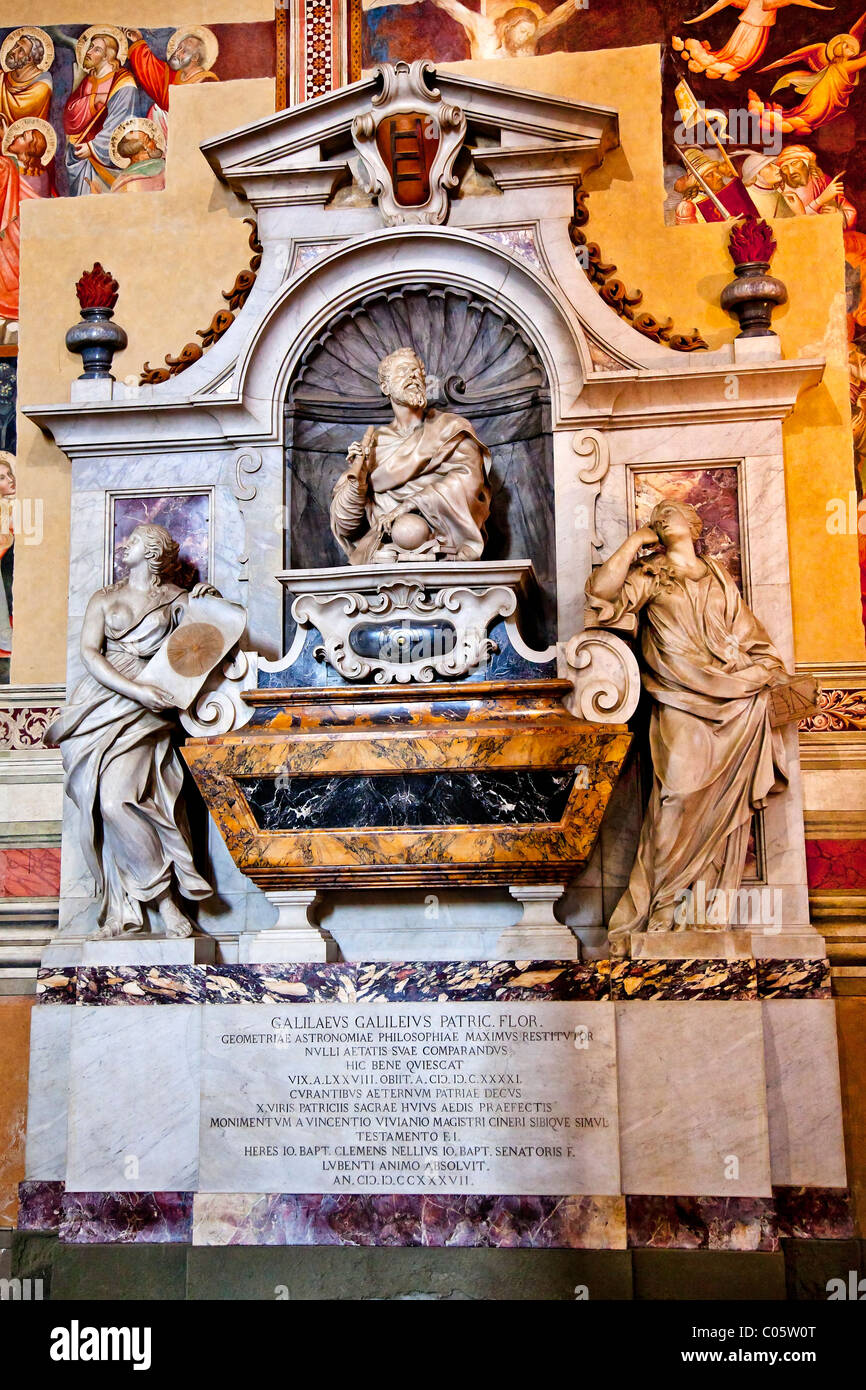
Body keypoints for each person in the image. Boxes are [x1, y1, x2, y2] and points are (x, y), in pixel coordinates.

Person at [586, 500, 790, 953]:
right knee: (677, 794)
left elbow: (752, 639)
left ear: (694, 525)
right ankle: (660, 904)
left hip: (734, 703)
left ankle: (694, 914)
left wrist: (758, 671)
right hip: (677, 697)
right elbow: (600, 592)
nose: (662, 517)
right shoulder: (650, 572)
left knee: (718, 809)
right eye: (655, 515)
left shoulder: (717, 576)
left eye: (671, 511)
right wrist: (634, 543)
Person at [46, 524, 219, 938]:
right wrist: (134, 689)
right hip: (103, 702)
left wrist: (208, 605)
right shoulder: (105, 598)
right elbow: (89, 653)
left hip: (151, 706)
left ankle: (166, 902)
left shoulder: (176, 599)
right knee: (102, 805)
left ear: (155, 551)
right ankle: (125, 907)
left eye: (137, 541)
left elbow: (205, 642)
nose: (127, 544)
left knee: (117, 800)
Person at [330, 347, 491, 564]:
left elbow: (468, 482)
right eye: (403, 370)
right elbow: (346, 525)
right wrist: (358, 478)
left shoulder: (450, 429)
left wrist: (410, 504)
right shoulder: (373, 446)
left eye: (417, 372)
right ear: (385, 387)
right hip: (384, 550)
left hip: (445, 544)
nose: (413, 376)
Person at [63, 27, 138, 196]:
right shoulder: (88, 80)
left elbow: (121, 123)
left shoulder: (123, 83)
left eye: (96, 49)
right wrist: (92, 101)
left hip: (103, 159)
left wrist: (92, 147)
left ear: (108, 56)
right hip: (80, 153)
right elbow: (70, 117)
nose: (88, 52)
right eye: (90, 47)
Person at [124, 26, 218, 141]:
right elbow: (151, 70)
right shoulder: (174, 75)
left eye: (183, 51)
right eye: (178, 48)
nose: (176, 53)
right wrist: (138, 41)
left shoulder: (207, 82)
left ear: (195, 58)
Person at [0, 28, 53, 127]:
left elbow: (22, 118)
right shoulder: (1, 77)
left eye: (21, 50)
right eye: (16, 45)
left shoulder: (42, 86)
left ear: (29, 59)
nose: (13, 51)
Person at [109, 117, 166, 194]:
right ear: (140, 151)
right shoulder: (164, 170)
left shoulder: (119, 183)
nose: (154, 141)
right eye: (148, 140)